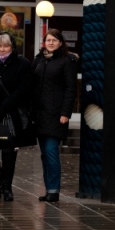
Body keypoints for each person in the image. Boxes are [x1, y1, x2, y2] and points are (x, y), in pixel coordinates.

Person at [0, 32, 32, 202]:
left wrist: (5, 105)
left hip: (11, 114)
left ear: (12, 47)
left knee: (9, 152)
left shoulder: (22, 64)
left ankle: (7, 188)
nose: (2, 49)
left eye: (6, 46)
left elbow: (24, 89)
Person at [31, 29, 78, 202]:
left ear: (60, 42)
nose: (50, 43)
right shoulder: (39, 60)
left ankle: (54, 190)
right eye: (48, 40)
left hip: (56, 115)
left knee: (51, 151)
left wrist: (66, 113)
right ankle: (49, 189)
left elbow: (70, 89)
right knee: (44, 153)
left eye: (54, 40)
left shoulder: (67, 61)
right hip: (40, 115)